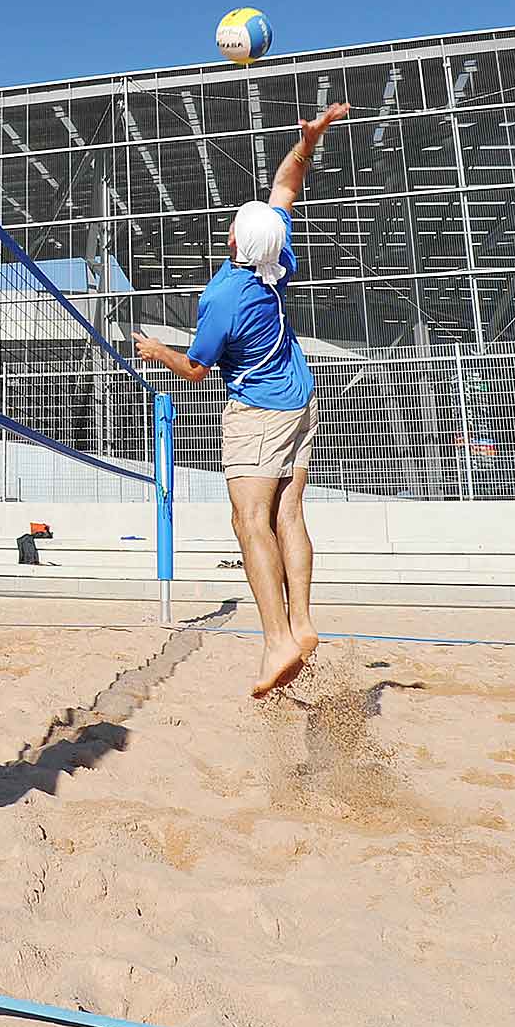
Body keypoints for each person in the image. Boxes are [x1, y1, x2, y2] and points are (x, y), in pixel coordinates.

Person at [135, 102, 349, 698]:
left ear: (232, 237)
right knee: (289, 515)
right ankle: (302, 623)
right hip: (302, 399)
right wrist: (310, 139)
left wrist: (156, 351)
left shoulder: (224, 295)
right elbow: (285, 185)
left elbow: (197, 370)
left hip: (260, 410)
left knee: (248, 519)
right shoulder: (276, 261)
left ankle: (278, 636)